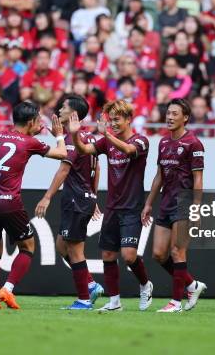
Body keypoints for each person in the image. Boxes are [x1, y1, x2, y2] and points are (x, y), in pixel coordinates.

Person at [0, 102, 67, 310]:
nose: (40, 124)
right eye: (38, 120)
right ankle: (7, 289)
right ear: (30, 122)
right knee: (28, 247)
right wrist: (59, 135)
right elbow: (62, 153)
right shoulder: (30, 142)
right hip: (8, 202)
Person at [69, 100, 154, 312]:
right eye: (110, 120)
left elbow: (128, 150)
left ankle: (145, 284)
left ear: (128, 120)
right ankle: (114, 302)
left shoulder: (141, 141)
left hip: (132, 208)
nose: (113, 123)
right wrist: (73, 135)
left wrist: (106, 135)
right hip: (113, 207)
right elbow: (84, 149)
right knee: (108, 255)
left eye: (117, 119)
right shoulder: (107, 143)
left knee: (128, 256)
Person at [35, 95, 105, 310]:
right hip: (83, 198)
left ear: (74, 114)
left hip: (75, 199)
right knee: (61, 245)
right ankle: (91, 284)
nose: (60, 108)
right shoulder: (90, 137)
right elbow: (97, 168)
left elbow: (64, 169)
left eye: (64, 107)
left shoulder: (72, 140)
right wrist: (93, 196)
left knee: (75, 250)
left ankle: (84, 299)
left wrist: (47, 197)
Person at [142, 99, 207, 312]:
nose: (169, 117)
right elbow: (159, 176)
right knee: (159, 254)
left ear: (185, 117)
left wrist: (197, 209)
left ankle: (176, 302)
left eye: (174, 113)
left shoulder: (194, 144)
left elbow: (198, 179)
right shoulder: (163, 142)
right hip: (166, 202)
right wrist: (148, 204)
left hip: (185, 202)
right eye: (168, 113)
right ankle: (192, 284)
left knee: (178, 252)